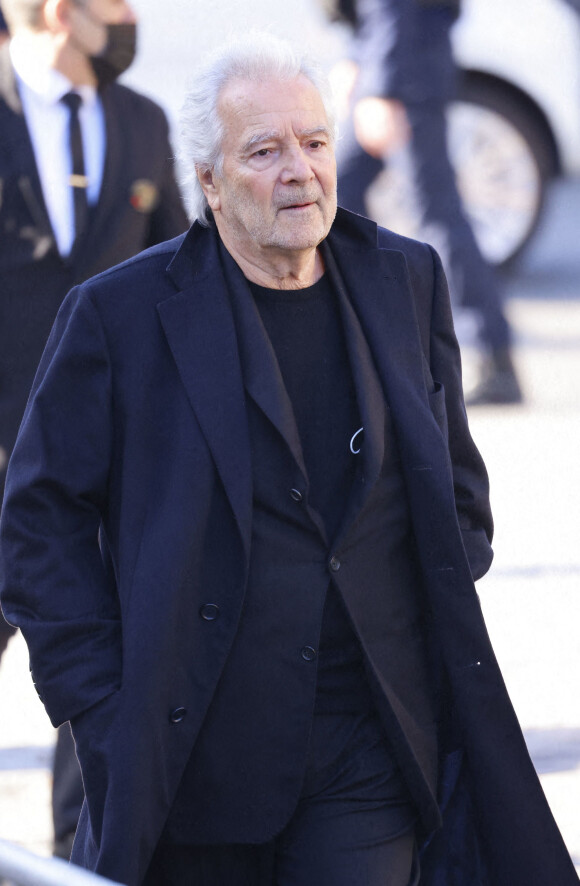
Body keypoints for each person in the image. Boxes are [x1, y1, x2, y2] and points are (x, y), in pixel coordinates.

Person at [0, 31, 577, 886]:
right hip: (188, 754)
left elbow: (455, 489)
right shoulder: (118, 316)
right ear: (209, 182)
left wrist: (408, 617)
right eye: (264, 151)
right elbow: (38, 522)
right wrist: (101, 702)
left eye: (313, 142)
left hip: (366, 752)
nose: (300, 171)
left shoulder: (405, 279)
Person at [0, 0, 188, 859]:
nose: (129, 17)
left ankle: (82, 850)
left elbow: (180, 278)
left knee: (98, 662)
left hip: (109, 468)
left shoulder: (143, 122)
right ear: (56, 11)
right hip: (3, 450)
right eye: (113, 2)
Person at [328, 0, 523, 406]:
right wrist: (358, 56)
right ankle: (361, 335)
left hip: (405, 70)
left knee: (435, 212)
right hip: (395, 60)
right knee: (337, 197)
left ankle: (495, 358)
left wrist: (381, 87)